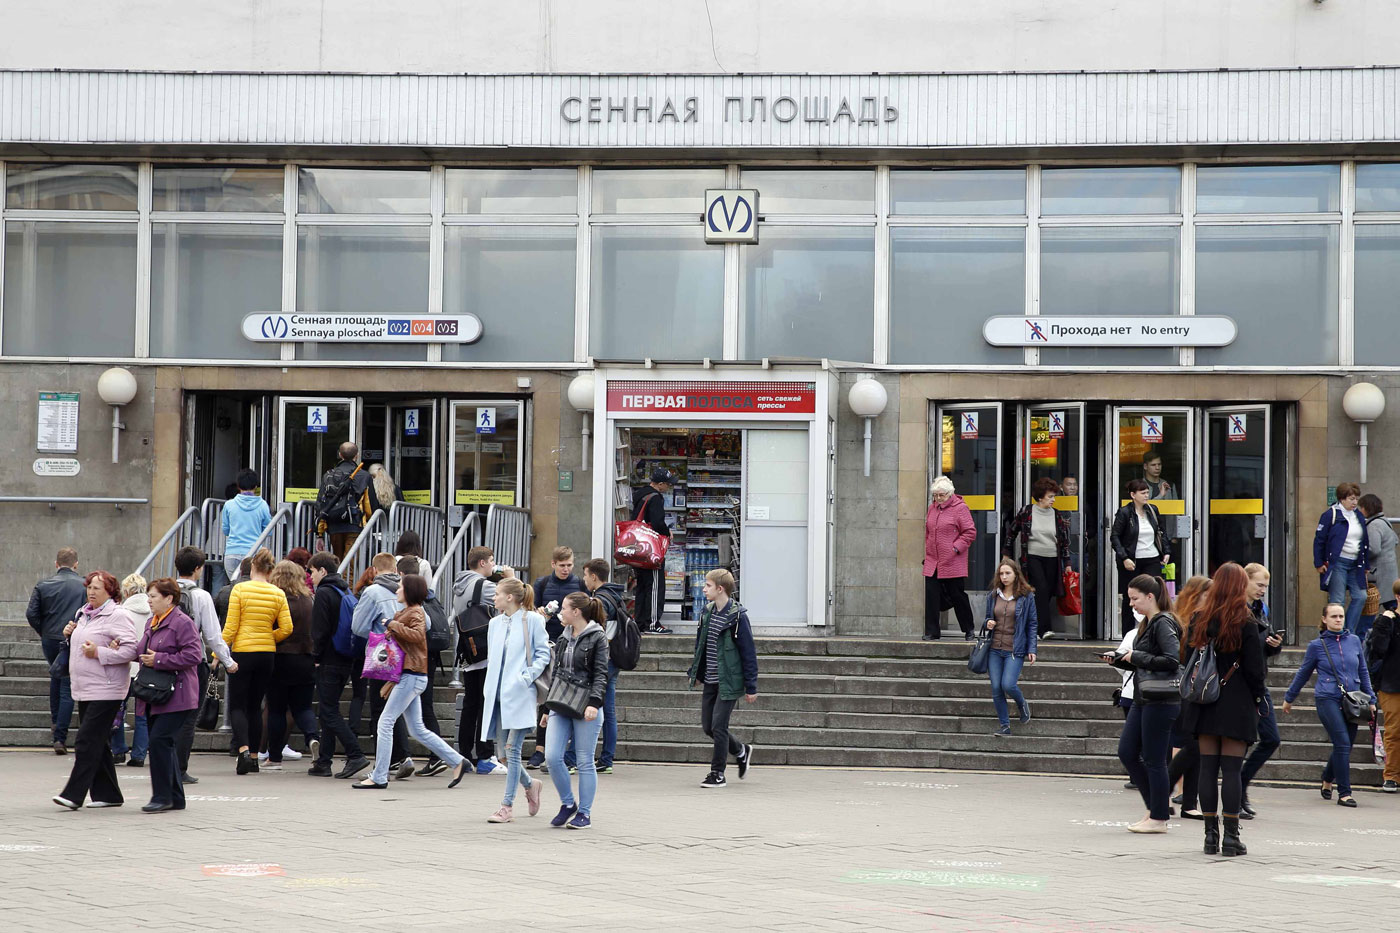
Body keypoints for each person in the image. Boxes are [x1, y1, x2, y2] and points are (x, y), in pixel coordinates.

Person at [1180, 562, 1267, 857]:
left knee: (1207, 768)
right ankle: (1231, 838)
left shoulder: (1200, 619)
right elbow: (1256, 671)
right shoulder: (1247, 622)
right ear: (1240, 587)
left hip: (1205, 701)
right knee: (1231, 770)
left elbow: (1189, 658)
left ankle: (1209, 837)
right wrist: (1258, 699)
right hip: (1237, 701)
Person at [353, 574, 468, 789]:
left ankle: (379, 776)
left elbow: (417, 635)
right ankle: (457, 761)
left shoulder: (415, 612)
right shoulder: (409, 611)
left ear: (409, 591)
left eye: (400, 587)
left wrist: (393, 625)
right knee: (417, 729)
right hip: (412, 675)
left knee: (385, 723)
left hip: (411, 675)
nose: (396, 590)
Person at [52, 571, 138, 810]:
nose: (91, 591)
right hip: (86, 686)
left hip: (108, 689)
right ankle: (109, 794)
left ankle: (73, 794)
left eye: (97, 588)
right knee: (99, 742)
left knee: (86, 740)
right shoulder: (84, 613)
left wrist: (99, 652)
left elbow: (132, 650)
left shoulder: (118, 615)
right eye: (89, 587)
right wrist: (70, 635)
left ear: (110, 591)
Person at [1283, 602, 1376, 809]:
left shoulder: (1354, 641)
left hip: (1353, 700)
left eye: (1341, 616)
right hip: (1327, 698)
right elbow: (1303, 673)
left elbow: (1363, 671)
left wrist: (1371, 698)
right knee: (1342, 742)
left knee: (1346, 745)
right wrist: (1289, 698)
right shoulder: (1317, 646)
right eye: (1334, 616)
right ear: (1324, 619)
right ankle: (1344, 793)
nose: (1338, 620)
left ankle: (1327, 777)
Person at [1110, 575, 1180, 834]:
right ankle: (1155, 809)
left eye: (1134, 599)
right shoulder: (1148, 623)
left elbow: (1172, 660)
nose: (1131, 604)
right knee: (1127, 751)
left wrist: (1136, 655)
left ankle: (1159, 817)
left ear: (1150, 597)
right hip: (1144, 696)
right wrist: (1121, 660)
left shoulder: (1163, 622)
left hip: (1160, 699)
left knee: (1153, 759)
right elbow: (1148, 660)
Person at [480, 577, 551, 822]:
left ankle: (506, 806)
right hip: (497, 695)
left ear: (510, 597)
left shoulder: (533, 620)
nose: (494, 597)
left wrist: (526, 677)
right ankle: (531, 784)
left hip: (520, 693)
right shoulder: (494, 623)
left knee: (512, 750)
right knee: (502, 755)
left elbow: (543, 653)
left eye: (497, 593)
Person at [541, 592, 611, 829]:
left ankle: (585, 812)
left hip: (586, 704)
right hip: (560, 703)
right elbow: (556, 674)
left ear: (576, 612)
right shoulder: (563, 636)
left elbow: (602, 674)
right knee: (552, 757)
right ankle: (567, 804)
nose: (561, 611)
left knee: (584, 761)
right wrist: (546, 708)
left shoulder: (597, 637)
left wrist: (594, 703)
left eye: (564, 608)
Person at [134, 578, 203, 813]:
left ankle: (162, 796)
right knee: (164, 743)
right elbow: (141, 650)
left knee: (160, 741)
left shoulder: (182, 623)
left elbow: (194, 656)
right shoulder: (152, 622)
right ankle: (174, 797)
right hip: (156, 693)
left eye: (153, 596)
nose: (149, 601)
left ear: (169, 598)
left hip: (178, 694)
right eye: (149, 596)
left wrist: (160, 660)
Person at [221, 548, 292, 775]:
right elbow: (287, 628)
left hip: (242, 652)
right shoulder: (277, 593)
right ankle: (254, 757)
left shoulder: (240, 590)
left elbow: (230, 627)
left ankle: (242, 749)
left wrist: (217, 655)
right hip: (266, 654)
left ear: (252, 567)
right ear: (270, 570)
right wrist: (268, 637)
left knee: (238, 705)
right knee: (255, 705)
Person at [687, 569, 758, 788]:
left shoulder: (737, 617)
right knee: (709, 727)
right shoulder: (707, 612)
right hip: (710, 679)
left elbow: (748, 652)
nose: (703, 589)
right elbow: (702, 646)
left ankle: (717, 773)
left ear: (720, 589)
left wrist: (751, 685)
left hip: (728, 681)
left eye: (707, 586)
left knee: (719, 726)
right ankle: (740, 750)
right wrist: (697, 674)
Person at [173, 546, 237, 785]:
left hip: (164, 663)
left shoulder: (164, 592)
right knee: (188, 718)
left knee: (166, 716)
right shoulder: (201, 596)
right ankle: (180, 769)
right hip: (192, 663)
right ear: (198, 569)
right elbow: (212, 635)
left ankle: (164, 762)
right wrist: (228, 661)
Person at [307, 550, 371, 779]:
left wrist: (315, 656)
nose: (310, 577)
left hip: (329, 660)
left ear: (323, 571)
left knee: (328, 710)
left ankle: (355, 755)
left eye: (312, 571)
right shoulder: (343, 589)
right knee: (328, 709)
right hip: (346, 658)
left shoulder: (324, 592)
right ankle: (324, 761)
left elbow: (320, 630)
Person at [451, 545, 512, 774]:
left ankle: (465, 756)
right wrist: (510, 578)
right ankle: (485, 756)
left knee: (470, 705)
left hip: (469, 651)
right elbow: (514, 598)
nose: (494, 564)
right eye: (492, 560)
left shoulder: (460, 585)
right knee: (487, 706)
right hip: (486, 652)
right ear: (484, 563)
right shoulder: (484, 586)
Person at [351, 553, 411, 778]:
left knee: (380, 708)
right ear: (396, 570)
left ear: (374, 571)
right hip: (406, 652)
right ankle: (402, 756)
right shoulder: (405, 589)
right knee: (397, 707)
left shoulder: (372, 592)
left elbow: (358, 627)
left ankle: (388, 761)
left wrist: (377, 634)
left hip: (382, 656)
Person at [528, 546, 588, 770]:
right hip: (548, 645)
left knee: (566, 699)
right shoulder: (543, 584)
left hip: (572, 646)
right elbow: (531, 611)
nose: (566, 569)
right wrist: (541, 613)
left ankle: (563, 751)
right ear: (553, 564)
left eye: (569, 565)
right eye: (562, 565)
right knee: (546, 698)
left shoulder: (579, 584)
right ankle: (540, 750)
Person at [26, 547, 84, 754]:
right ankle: (60, 735)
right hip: (72, 637)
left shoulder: (43, 585)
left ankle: (55, 722)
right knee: (67, 685)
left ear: (56, 564)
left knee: (56, 676)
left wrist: (44, 630)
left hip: (50, 638)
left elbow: (31, 614)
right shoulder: (84, 586)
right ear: (76, 564)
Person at [264, 560, 321, 771]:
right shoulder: (309, 599)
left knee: (277, 709)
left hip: (280, 658)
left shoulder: (276, 599)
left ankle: (275, 758)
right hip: (305, 658)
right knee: (303, 707)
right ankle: (312, 737)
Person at [398, 556, 451, 776]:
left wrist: (392, 624)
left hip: (417, 660)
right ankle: (441, 757)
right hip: (429, 657)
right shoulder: (428, 595)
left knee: (411, 713)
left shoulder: (413, 603)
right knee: (423, 710)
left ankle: (440, 756)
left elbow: (418, 631)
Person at [1239, 562, 1283, 819]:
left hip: (1259, 683)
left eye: (1266, 586)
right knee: (1241, 743)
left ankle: (1242, 784)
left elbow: (1260, 648)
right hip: (1242, 685)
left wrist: (1274, 645)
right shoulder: (1237, 610)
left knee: (1271, 738)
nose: (1263, 590)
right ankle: (1234, 796)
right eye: (1259, 585)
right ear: (1245, 582)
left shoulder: (1260, 609)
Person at [1165, 575, 1211, 821]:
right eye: (1207, 594)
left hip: (1199, 690)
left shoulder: (1206, 620)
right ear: (1196, 595)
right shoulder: (1178, 621)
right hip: (1182, 689)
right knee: (1192, 744)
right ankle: (1166, 791)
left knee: (1197, 746)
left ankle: (1189, 803)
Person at [1004, 477, 1069, 639]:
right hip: (1032, 557)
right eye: (1050, 497)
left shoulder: (1056, 515)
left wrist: (1067, 562)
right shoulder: (1027, 512)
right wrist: (1007, 552)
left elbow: (1064, 541)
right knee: (1040, 589)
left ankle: (1031, 625)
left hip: (1052, 558)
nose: (1053, 500)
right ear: (1040, 497)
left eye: (1054, 496)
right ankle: (1044, 629)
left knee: (1046, 594)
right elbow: (1012, 532)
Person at [983, 558, 1038, 736]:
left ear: (1016, 575)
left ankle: (1022, 705)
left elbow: (1032, 624)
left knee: (1008, 684)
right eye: (1001, 573)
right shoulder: (993, 595)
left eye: (1008, 573)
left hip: (1015, 648)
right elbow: (986, 619)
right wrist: (988, 622)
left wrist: (1032, 649)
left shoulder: (1026, 596)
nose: (1004, 577)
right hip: (994, 648)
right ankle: (1005, 726)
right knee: (996, 688)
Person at [583, 557, 627, 774]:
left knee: (599, 708)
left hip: (604, 660)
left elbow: (596, 631)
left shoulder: (601, 599)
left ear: (593, 576)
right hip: (613, 659)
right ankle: (607, 758)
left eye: (585, 575)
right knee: (608, 709)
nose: (584, 580)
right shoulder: (615, 595)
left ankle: (592, 757)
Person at [1110, 479, 1168, 637]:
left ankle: (1153, 633)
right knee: (1132, 598)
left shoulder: (1153, 510)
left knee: (1154, 596)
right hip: (1132, 562)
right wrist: (1124, 558)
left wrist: (1166, 551)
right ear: (1132, 495)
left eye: (1147, 492)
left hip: (1152, 558)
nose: (1146, 495)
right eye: (1143, 493)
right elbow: (1115, 537)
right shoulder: (1124, 512)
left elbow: (1161, 532)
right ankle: (1128, 636)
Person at [923, 475, 977, 641]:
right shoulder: (932, 508)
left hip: (953, 560)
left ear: (950, 493)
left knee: (957, 595)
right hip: (933, 560)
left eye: (942, 495)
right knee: (932, 596)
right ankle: (932, 631)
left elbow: (970, 532)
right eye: (936, 495)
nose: (938, 498)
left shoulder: (960, 508)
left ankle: (968, 629)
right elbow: (928, 531)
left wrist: (955, 548)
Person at [1313, 483, 1371, 636]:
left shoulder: (1358, 515)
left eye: (1356, 499)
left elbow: (1365, 541)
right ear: (1342, 499)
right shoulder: (1331, 515)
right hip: (1338, 562)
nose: (1355, 502)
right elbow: (1319, 540)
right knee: (1338, 600)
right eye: (1351, 499)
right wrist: (1319, 563)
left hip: (1356, 564)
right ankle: (1335, 633)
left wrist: (1366, 565)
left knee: (1361, 596)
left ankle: (1348, 631)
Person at [110, 573, 153, 768]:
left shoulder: (120, 612)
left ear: (126, 591)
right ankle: (139, 755)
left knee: (118, 710)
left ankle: (118, 750)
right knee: (142, 714)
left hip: (125, 667)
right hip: (146, 668)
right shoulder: (153, 612)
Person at [1365, 582, 1400, 793]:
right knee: (1394, 731)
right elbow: (1378, 649)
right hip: (1391, 683)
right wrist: (1385, 623)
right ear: (1398, 597)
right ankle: (1392, 776)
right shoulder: (1387, 621)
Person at [632, 468, 675, 635]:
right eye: (668, 485)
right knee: (655, 586)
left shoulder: (641, 495)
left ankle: (640, 622)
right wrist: (667, 532)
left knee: (643, 586)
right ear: (660, 484)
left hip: (640, 549)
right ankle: (653, 623)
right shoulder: (655, 498)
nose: (669, 488)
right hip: (652, 551)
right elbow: (657, 523)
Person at [317, 442, 371, 559]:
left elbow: (321, 503)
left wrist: (319, 533)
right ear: (356, 455)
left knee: (338, 560)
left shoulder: (328, 475)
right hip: (354, 523)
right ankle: (348, 578)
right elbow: (369, 505)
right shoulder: (363, 475)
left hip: (334, 524)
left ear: (340, 455)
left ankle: (338, 576)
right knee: (350, 563)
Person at [1360, 494, 1399, 641]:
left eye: (1361, 507)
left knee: (1377, 607)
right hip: (1389, 572)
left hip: (1379, 575)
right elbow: (1395, 540)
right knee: (1393, 606)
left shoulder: (1374, 525)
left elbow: (1373, 549)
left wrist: (1360, 554)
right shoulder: (1385, 522)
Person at [220, 469, 271, 579]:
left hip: (232, 553)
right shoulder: (263, 505)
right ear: (256, 486)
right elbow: (269, 531)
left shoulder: (229, 505)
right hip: (254, 553)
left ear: (238, 486)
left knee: (235, 588)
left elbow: (226, 530)